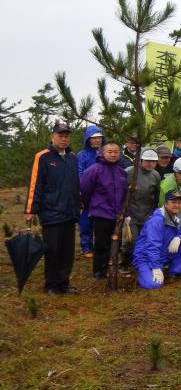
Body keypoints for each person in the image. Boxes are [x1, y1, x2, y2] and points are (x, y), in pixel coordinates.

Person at [24, 122, 81, 294]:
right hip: (51, 212)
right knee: (53, 250)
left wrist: (79, 203)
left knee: (67, 251)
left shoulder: (72, 157)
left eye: (66, 136)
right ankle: (51, 284)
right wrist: (30, 210)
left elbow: (75, 184)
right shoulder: (43, 157)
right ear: (52, 137)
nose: (64, 139)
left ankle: (64, 283)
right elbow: (35, 184)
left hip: (69, 212)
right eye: (60, 136)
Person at [79, 142, 128, 280]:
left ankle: (111, 268)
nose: (113, 154)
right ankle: (99, 272)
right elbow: (84, 190)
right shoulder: (94, 170)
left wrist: (125, 214)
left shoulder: (122, 172)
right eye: (110, 152)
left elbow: (125, 195)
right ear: (103, 153)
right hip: (101, 214)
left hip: (118, 216)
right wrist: (93, 206)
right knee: (101, 244)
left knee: (116, 244)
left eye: (116, 152)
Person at [133, 189, 181, 289]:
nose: (177, 205)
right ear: (165, 203)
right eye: (173, 202)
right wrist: (156, 267)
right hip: (145, 257)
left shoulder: (178, 217)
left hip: (162, 254)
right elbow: (152, 246)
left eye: (179, 203)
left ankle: (173, 273)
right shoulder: (156, 220)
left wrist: (179, 238)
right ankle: (144, 272)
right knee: (153, 285)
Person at [123, 147, 161, 266]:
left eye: (153, 161)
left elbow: (157, 196)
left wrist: (153, 214)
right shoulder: (129, 172)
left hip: (147, 213)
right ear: (140, 160)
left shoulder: (156, 175)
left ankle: (141, 264)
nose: (150, 164)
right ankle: (124, 263)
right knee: (130, 240)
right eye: (147, 161)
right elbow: (122, 193)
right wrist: (125, 213)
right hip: (131, 213)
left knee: (145, 240)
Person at [76, 125, 104, 257]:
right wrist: (82, 191)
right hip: (87, 193)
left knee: (101, 221)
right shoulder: (82, 155)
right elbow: (79, 173)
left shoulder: (105, 153)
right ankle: (86, 247)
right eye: (94, 138)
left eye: (99, 138)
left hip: (102, 194)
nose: (97, 140)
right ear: (88, 139)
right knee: (86, 221)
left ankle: (100, 246)